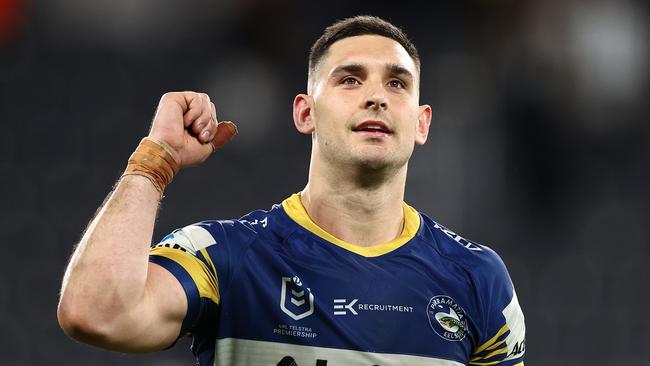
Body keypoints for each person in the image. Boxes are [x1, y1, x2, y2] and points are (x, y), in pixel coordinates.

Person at [57, 15, 525, 366]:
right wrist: (155, 160)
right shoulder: (226, 258)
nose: (377, 96)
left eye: (397, 83)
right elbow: (94, 312)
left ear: (421, 123)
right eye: (349, 79)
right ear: (305, 113)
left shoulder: (476, 279)